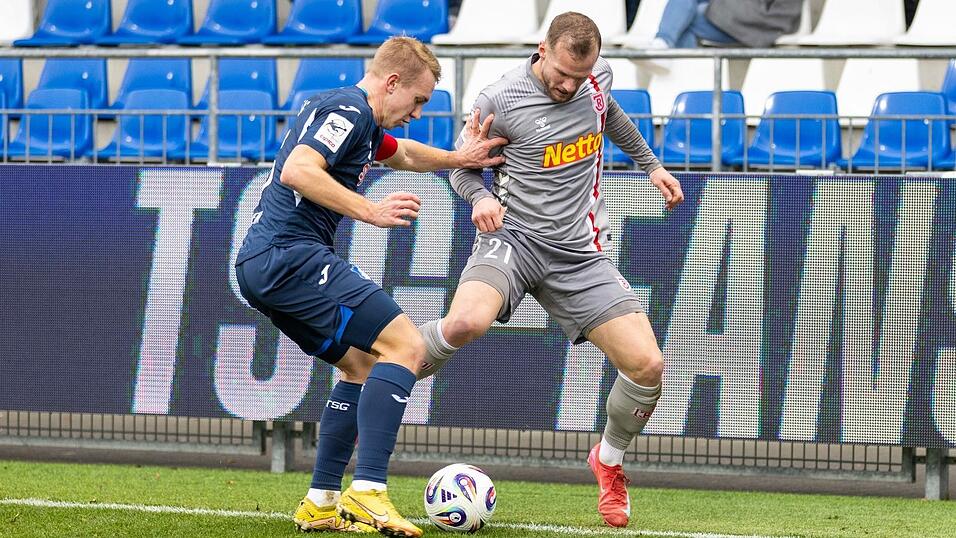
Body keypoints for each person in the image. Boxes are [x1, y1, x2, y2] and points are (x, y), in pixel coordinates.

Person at [415, 12, 684, 529]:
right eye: (561, 73)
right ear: (543, 48)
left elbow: (611, 117)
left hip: (580, 254)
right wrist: (478, 199)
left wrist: (651, 164)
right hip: (512, 239)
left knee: (648, 367)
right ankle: (382, 373)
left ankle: (608, 462)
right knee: (464, 323)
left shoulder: (595, 81)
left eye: (578, 78)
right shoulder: (500, 99)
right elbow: (462, 167)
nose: (568, 86)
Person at [234, 36, 506, 537]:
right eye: (419, 100)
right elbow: (298, 169)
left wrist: (460, 158)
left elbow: (402, 154)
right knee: (404, 345)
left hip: (265, 267)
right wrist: (369, 209)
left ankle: (321, 500)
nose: (418, 112)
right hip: (287, 256)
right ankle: (370, 491)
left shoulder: (363, 122)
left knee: (359, 368)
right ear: (392, 82)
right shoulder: (347, 107)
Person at [649, 0, 803, 49]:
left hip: (759, 23)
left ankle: (663, 44)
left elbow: (779, 13)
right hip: (736, 13)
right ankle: (663, 45)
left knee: (688, 20)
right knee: (686, 21)